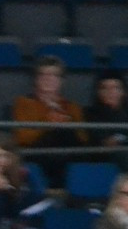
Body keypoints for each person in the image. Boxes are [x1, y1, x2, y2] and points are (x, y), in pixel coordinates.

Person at [11, 56, 87, 187]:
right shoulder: (24, 103)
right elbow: (22, 137)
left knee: (66, 134)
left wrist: (65, 123)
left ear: (61, 80)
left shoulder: (72, 107)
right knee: (56, 133)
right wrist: (48, 124)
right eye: (43, 74)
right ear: (36, 79)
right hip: (36, 152)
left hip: (67, 153)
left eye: (54, 75)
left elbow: (83, 138)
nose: (48, 79)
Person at [83, 70, 128, 172]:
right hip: (101, 159)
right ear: (98, 92)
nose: (110, 92)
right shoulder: (89, 115)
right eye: (104, 88)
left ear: (124, 92)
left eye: (115, 88)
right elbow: (105, 142)